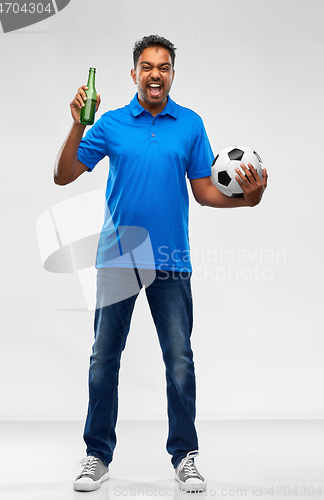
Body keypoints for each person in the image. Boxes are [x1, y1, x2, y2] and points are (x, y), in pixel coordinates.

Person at [54, 35, 268, 493]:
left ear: (172, 73)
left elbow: (205, 191)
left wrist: (250, 201)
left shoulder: (189, 124)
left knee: (180, 363)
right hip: (117, 259)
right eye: (147, 66)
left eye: (164, 66)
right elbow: (63, 174)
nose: (155, 73)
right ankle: (96, 456)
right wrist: (77, 125)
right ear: (134, 74)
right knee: (102, 362)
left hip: (172, 259)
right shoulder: (110, 124)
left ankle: (185, 457)